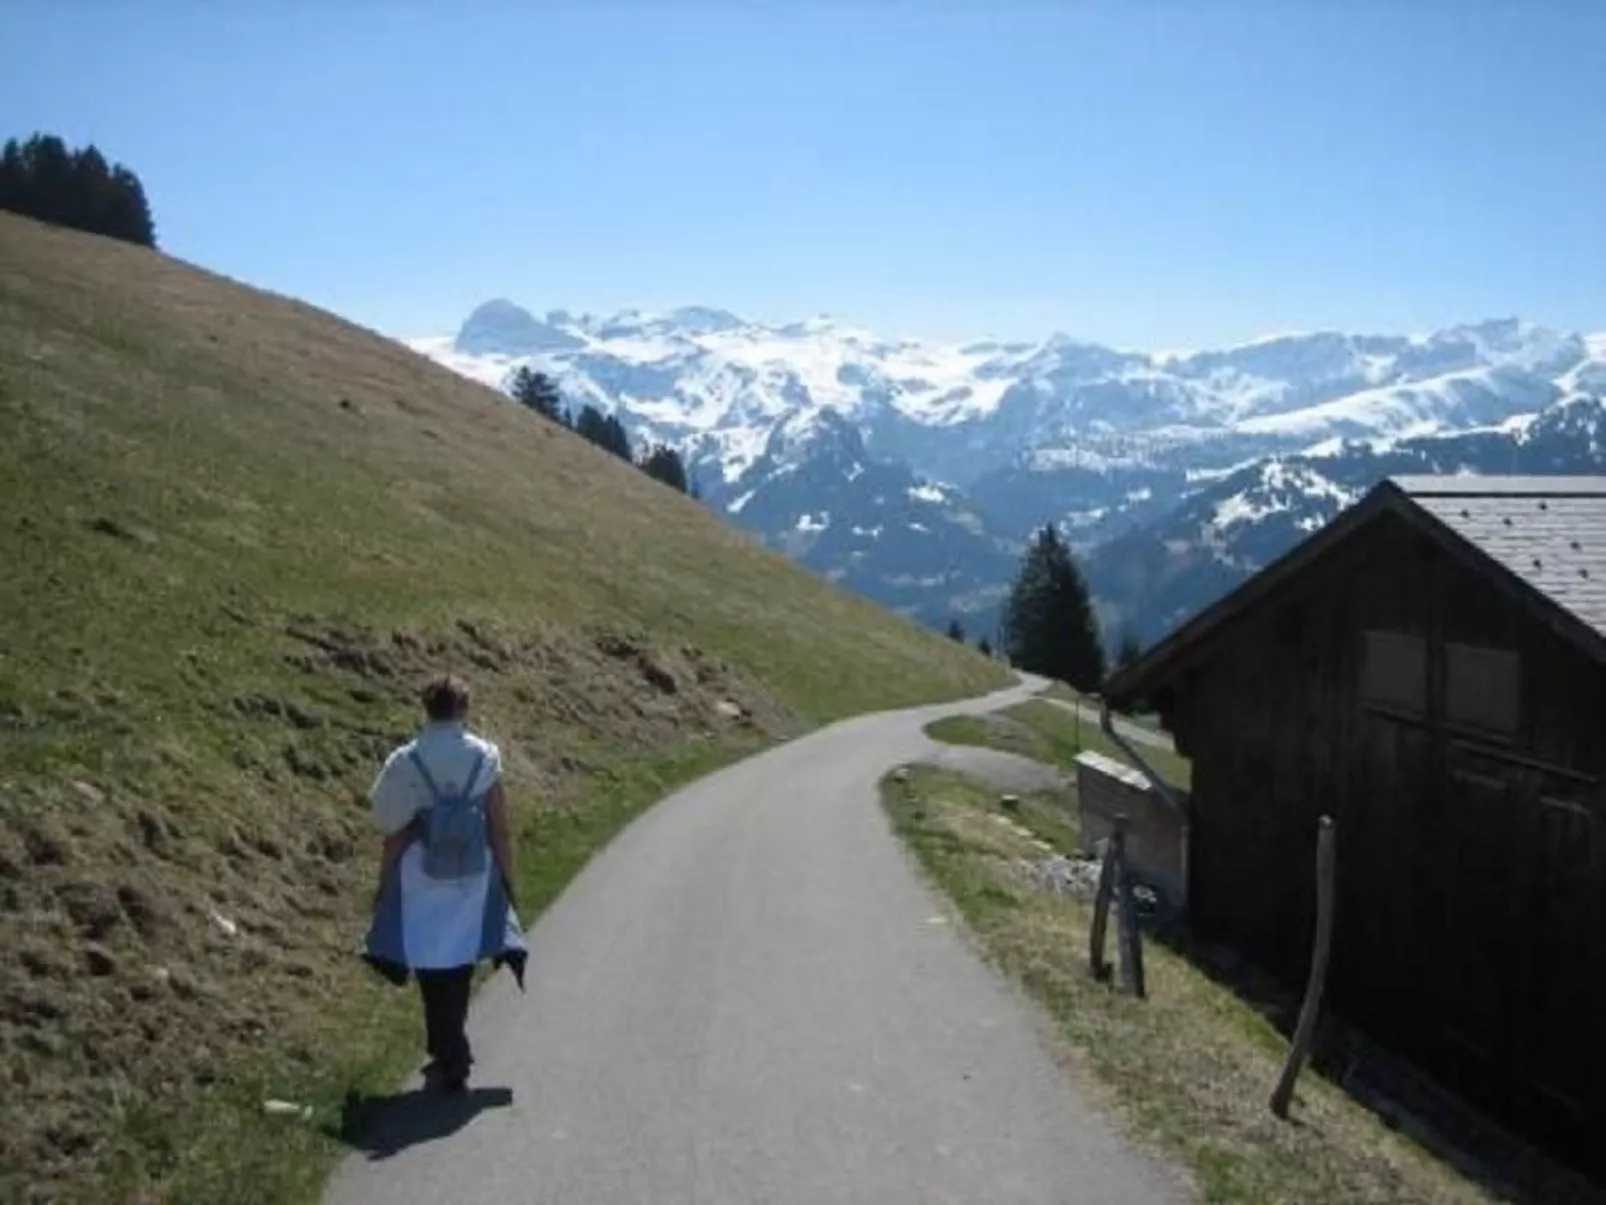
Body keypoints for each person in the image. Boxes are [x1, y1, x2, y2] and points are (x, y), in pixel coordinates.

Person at [362, 673, 527, 1093]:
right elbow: (500, 827)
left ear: (426, 708)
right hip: (472, 873)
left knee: (430, 966)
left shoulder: (405, 760)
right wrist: (507, 878)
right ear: (464, 709)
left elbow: (386, 822)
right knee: (458, 962)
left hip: (422, 876)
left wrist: (383, 885)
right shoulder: (485, 757)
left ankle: (450, 1053)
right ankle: (451, 1051)